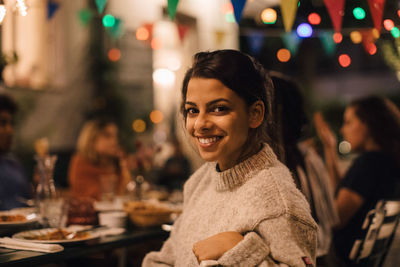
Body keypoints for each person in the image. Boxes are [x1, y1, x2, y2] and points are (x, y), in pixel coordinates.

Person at [143, 50, 317, 267]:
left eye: (219, 109)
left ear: (255, 114)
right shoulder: (200, 181)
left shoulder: (279, 202)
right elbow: (166, 259)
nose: (200, 124)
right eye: (192, 110)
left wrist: (241, 250)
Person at [314, 96, 400, 266]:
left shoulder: (368, 164)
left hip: (340, 261)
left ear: (367, 124)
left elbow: (335, 219)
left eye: (348, 122)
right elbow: (343, 192)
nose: (343, 130)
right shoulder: (387, 162)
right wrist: (330, 149)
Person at [270, 72, 339, 260]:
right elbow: (331, 216)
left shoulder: (280, 164)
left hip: (311, 258)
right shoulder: (308, 157)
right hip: (325, 254)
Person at [68, 118, 131, 201]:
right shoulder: (81, 163)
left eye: (115, 136)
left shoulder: (116, 164)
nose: (114, 141)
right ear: (91, 139)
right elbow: (92, 196)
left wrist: (125, 168)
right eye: (107, 136)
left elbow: (125, 193)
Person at [0, 93, 31, 210]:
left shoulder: (14, 165)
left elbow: (28, 204)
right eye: (2, 123)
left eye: (11, 123)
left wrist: (39, 186)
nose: (10, 130)